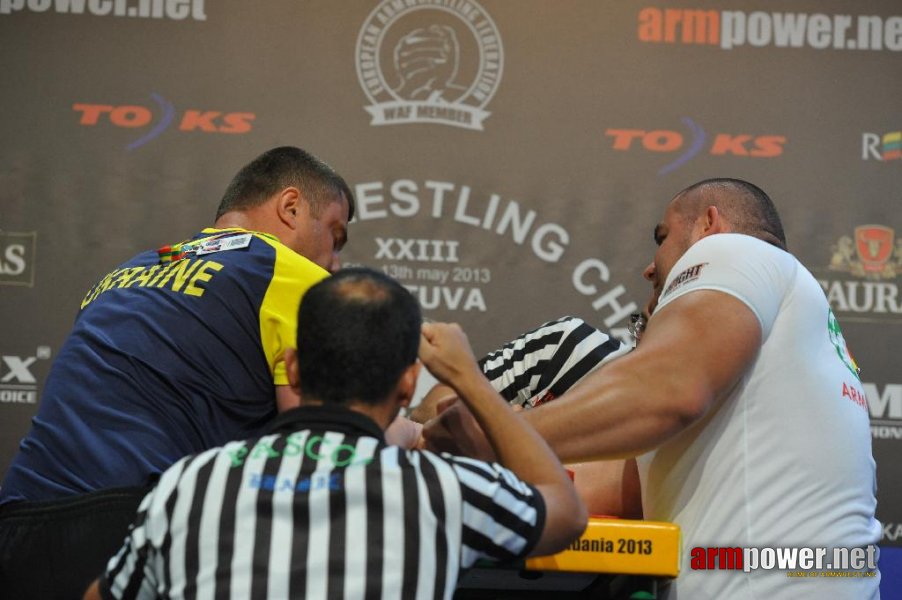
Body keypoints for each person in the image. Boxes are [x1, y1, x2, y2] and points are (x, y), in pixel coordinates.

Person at [424, 178, 881, 598]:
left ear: (709, 223)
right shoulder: (775, 356)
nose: (649, 268)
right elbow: (591, 488)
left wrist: (494, 426)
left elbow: (665, 389)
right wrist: (425, 457)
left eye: (662, 238)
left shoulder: (736, 252)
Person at [83, 267, 587, 600]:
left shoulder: (188, 484)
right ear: (409, 382)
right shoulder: (442, 489)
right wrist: (470, 382)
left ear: (294, 370)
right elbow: (563, 512)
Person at [0, 146, 354, 599]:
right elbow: (318, 437)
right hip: (128, 525)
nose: (335, 261)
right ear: (290, 207)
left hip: (18, 518)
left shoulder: (127, 272)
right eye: (335, 235)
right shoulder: (289, 273)